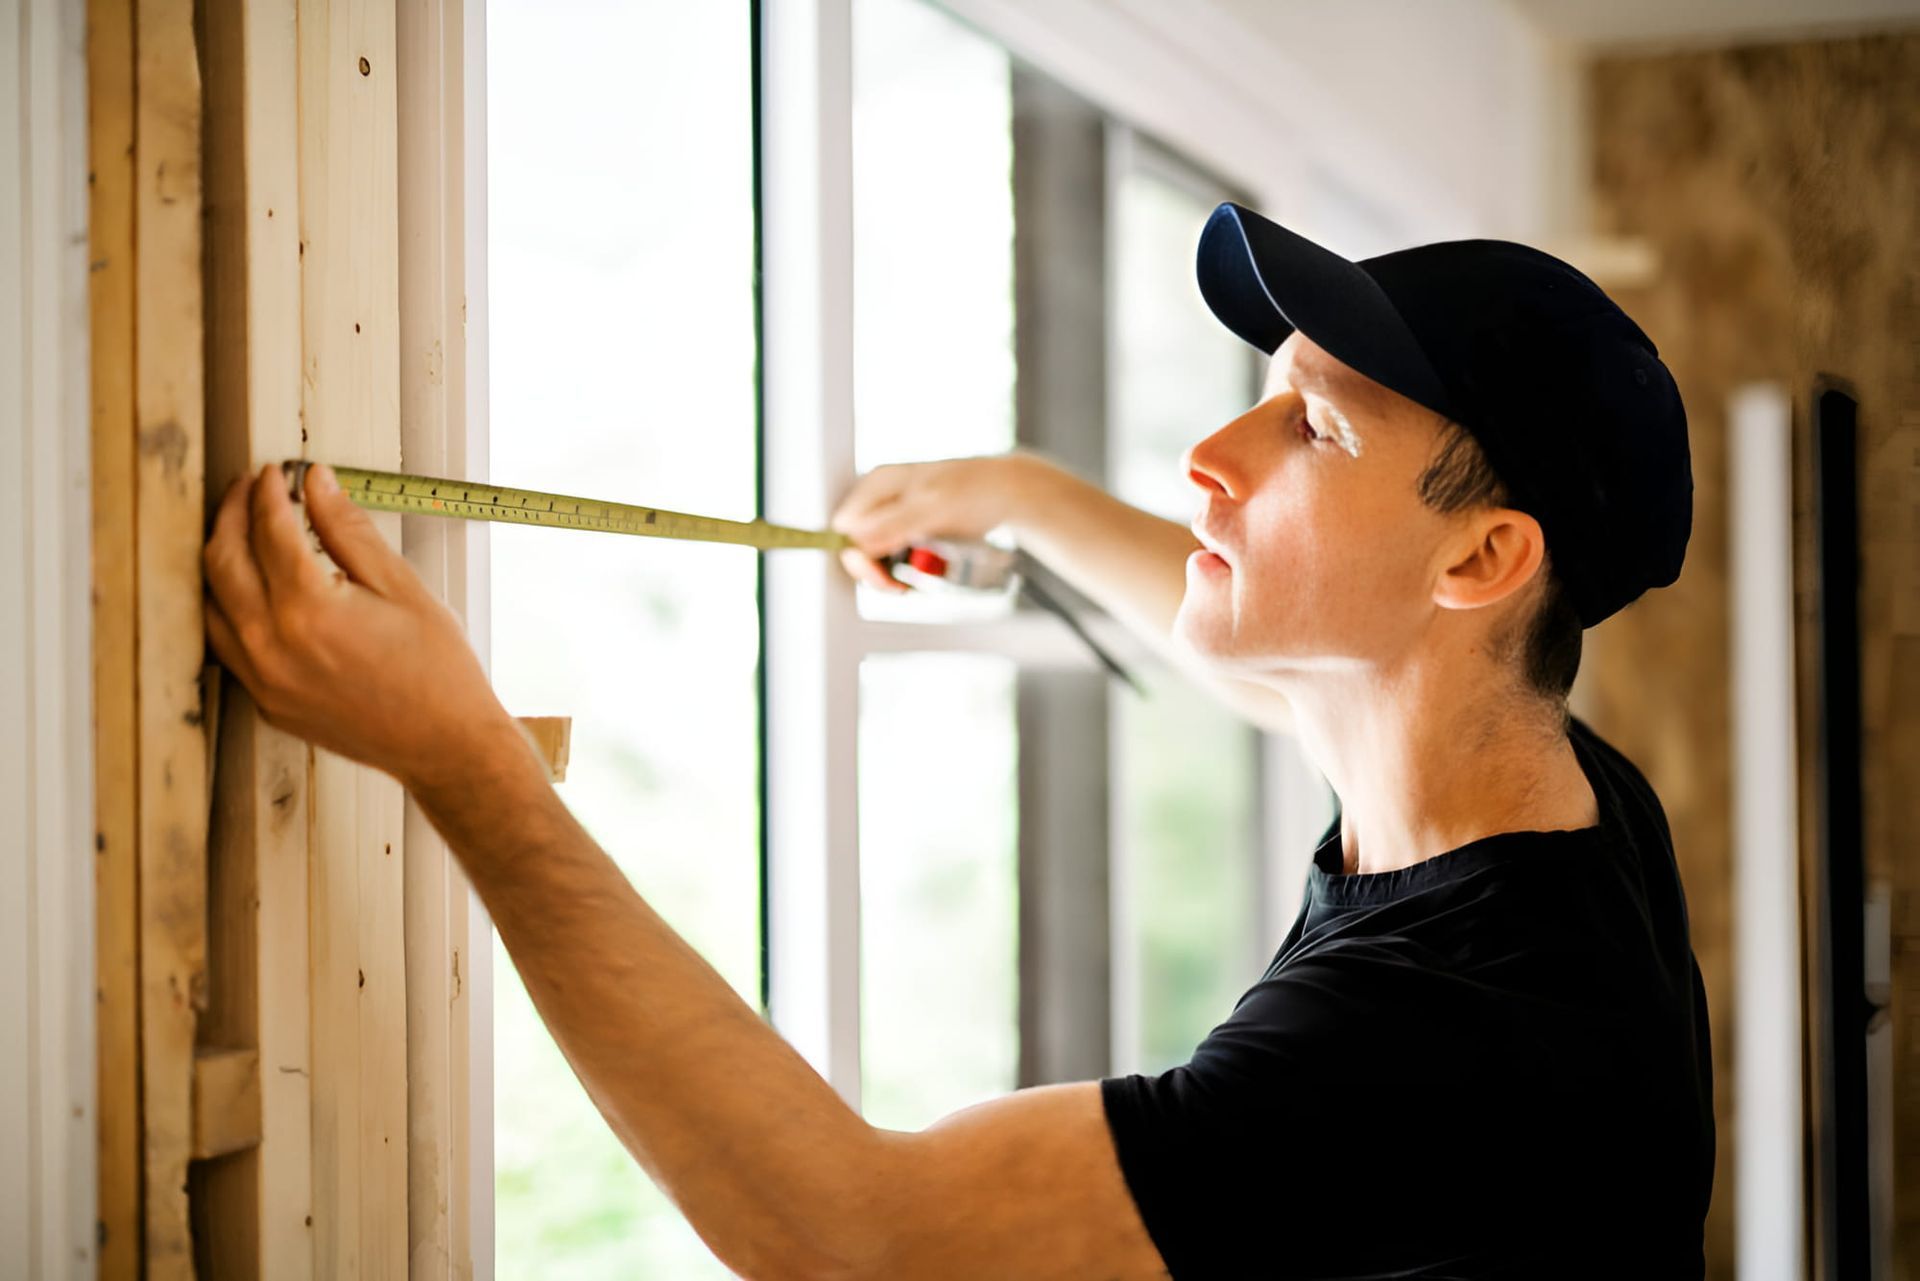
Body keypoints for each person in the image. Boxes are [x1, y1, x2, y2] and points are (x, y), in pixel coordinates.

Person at [202, 201, 1713, 1279]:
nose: (1209, 459)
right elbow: (1298, 671)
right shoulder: (1551, 799)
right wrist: (1023, 494)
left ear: (1480, 563)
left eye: (1311, 429)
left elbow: (856, 1232)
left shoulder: (1465, 1035)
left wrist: (463, 761)